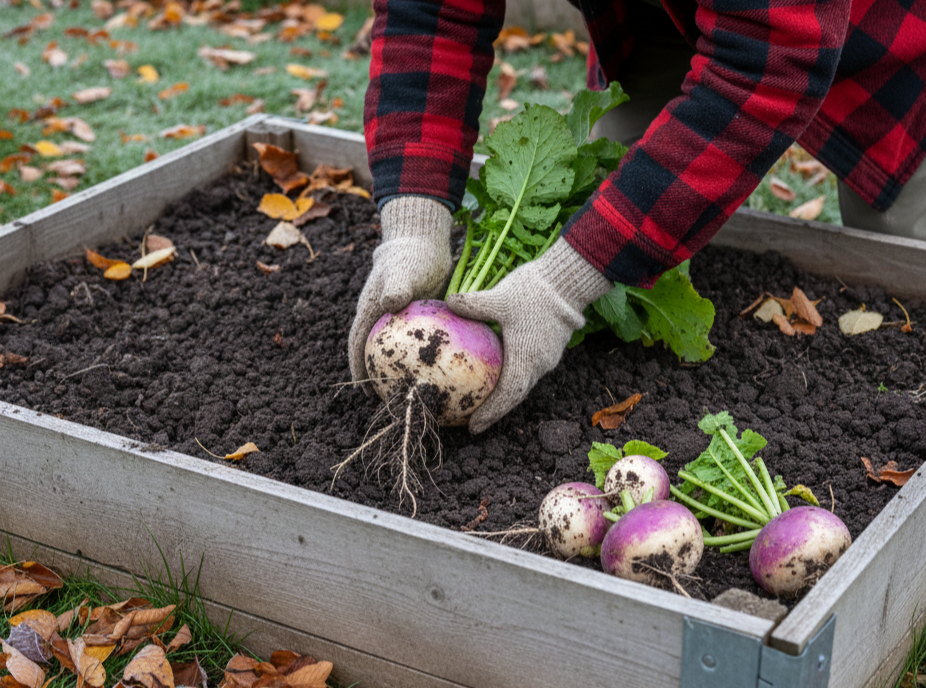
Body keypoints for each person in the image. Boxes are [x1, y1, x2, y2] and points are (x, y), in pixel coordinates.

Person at [349, 0, 926, 434]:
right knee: (612, 181)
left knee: (902, 270)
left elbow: (771, 64)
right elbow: (428, 14)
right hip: (652, 15)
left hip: (884, 38)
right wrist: (414, 223)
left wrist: (559, 284)